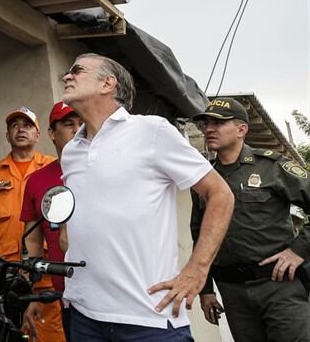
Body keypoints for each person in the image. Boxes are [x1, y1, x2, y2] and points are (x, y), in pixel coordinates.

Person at [60, 53, 234, 341]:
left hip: (148, 316)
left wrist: (197, 269)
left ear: (107, 84)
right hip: (84, 314)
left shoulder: (152, 131)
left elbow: (220, 194)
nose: (67, 76)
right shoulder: (71, 151)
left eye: (77, 70)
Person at [191, 97, 310, 341]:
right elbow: (200, 235)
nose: (209, 129)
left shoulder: (271, 167)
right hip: (233, 291)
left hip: (278, 285)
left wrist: (299, 250)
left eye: (218, 123)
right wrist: (205, 290)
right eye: (206, 124)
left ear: (241, 129)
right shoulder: (204, 177)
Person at [0, 106, 62, 342]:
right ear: (7, 135)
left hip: (45, 273)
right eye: (14, 126)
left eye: (27, 125)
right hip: (9, 274)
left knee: (51, 333)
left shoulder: (53, 169)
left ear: (38, 134)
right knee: (13, 333)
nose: (20, 130)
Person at [20, 101, 82, 339]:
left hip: (113, 292)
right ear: (52, 133)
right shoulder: (37, 180)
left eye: (82, 123)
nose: (77, 129)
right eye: (68, 124)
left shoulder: (105, 169)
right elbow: (33, 241)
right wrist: (32, 292)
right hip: (69, 297)